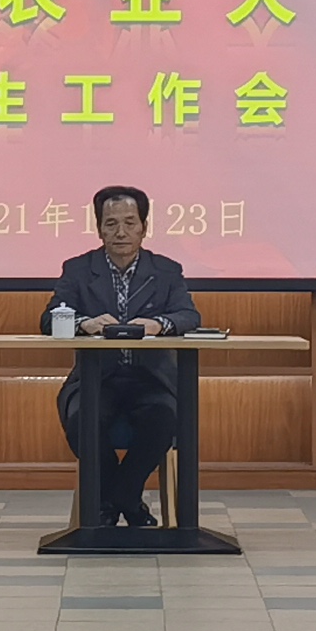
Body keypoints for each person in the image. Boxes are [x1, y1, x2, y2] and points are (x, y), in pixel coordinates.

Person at [50, 184, 198, 527]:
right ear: (99, 228)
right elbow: (50, 317)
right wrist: (84, 323)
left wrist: (159, 324)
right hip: (96, 379)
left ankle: (116, 499)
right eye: (111, 223)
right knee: (82, 421)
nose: (121, 232)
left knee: (163, 418)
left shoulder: (166, 270)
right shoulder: (78, 269)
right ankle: (127, 501)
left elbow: (189, 316)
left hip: (151, 379)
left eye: (130, 223)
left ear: (144, 227)